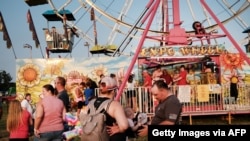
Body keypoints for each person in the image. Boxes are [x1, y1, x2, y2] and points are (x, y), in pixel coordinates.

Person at [87, 76, 128, 141]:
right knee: (119, 135)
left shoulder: (90, 103)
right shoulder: (114, 104)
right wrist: (119, 129)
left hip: (90, 137)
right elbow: (124, 126)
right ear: (113, 91)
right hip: (107, 137)